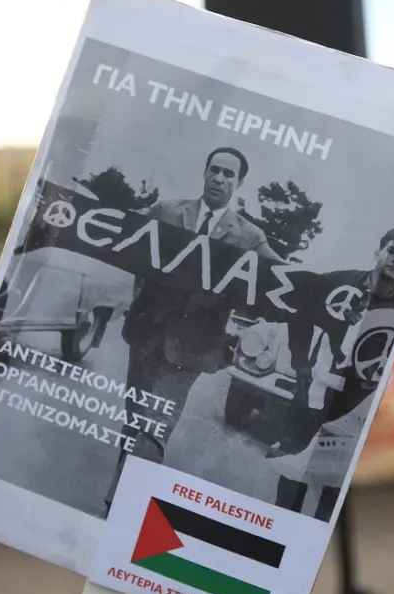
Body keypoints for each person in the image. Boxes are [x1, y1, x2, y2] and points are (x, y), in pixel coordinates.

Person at [105, 147, 282, 513]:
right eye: (214, 170)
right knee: (135, 419)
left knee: (157, 424)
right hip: (146, 336)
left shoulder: (250, 237)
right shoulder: (166, 211)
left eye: (229, 174)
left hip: (191, 348)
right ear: (204, 173)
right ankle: (122, 490)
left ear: (238, 183)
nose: (219, 178)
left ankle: (123, 502)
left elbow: (284, 278)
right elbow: (124, 232)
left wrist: (332, 292)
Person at [270, 227, 394, 520]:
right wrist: (301, 363)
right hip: (313, 395)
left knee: (333, 490)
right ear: (377, 252)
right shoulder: (338, 282)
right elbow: (300, 317)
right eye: (392, 251)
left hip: (356, 407)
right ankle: (278, 534)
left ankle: (319, 541)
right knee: (291, 478)